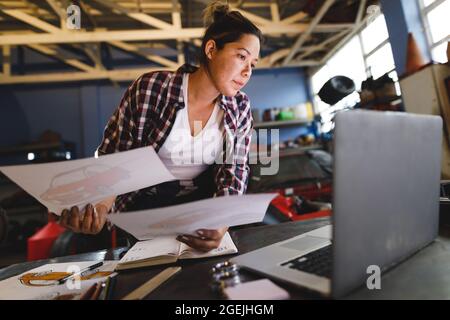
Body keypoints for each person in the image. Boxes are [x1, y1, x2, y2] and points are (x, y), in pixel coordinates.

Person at [53, 1, 262, 252]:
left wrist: (222, 222)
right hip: (146, 210)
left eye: (253, 63)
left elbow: (234, 172)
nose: (247, 71)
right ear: (211, 49)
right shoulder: (152, 89)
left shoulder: (240, 108)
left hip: (202, 209)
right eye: (241, 56)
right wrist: (100, 207)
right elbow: (116, 157)